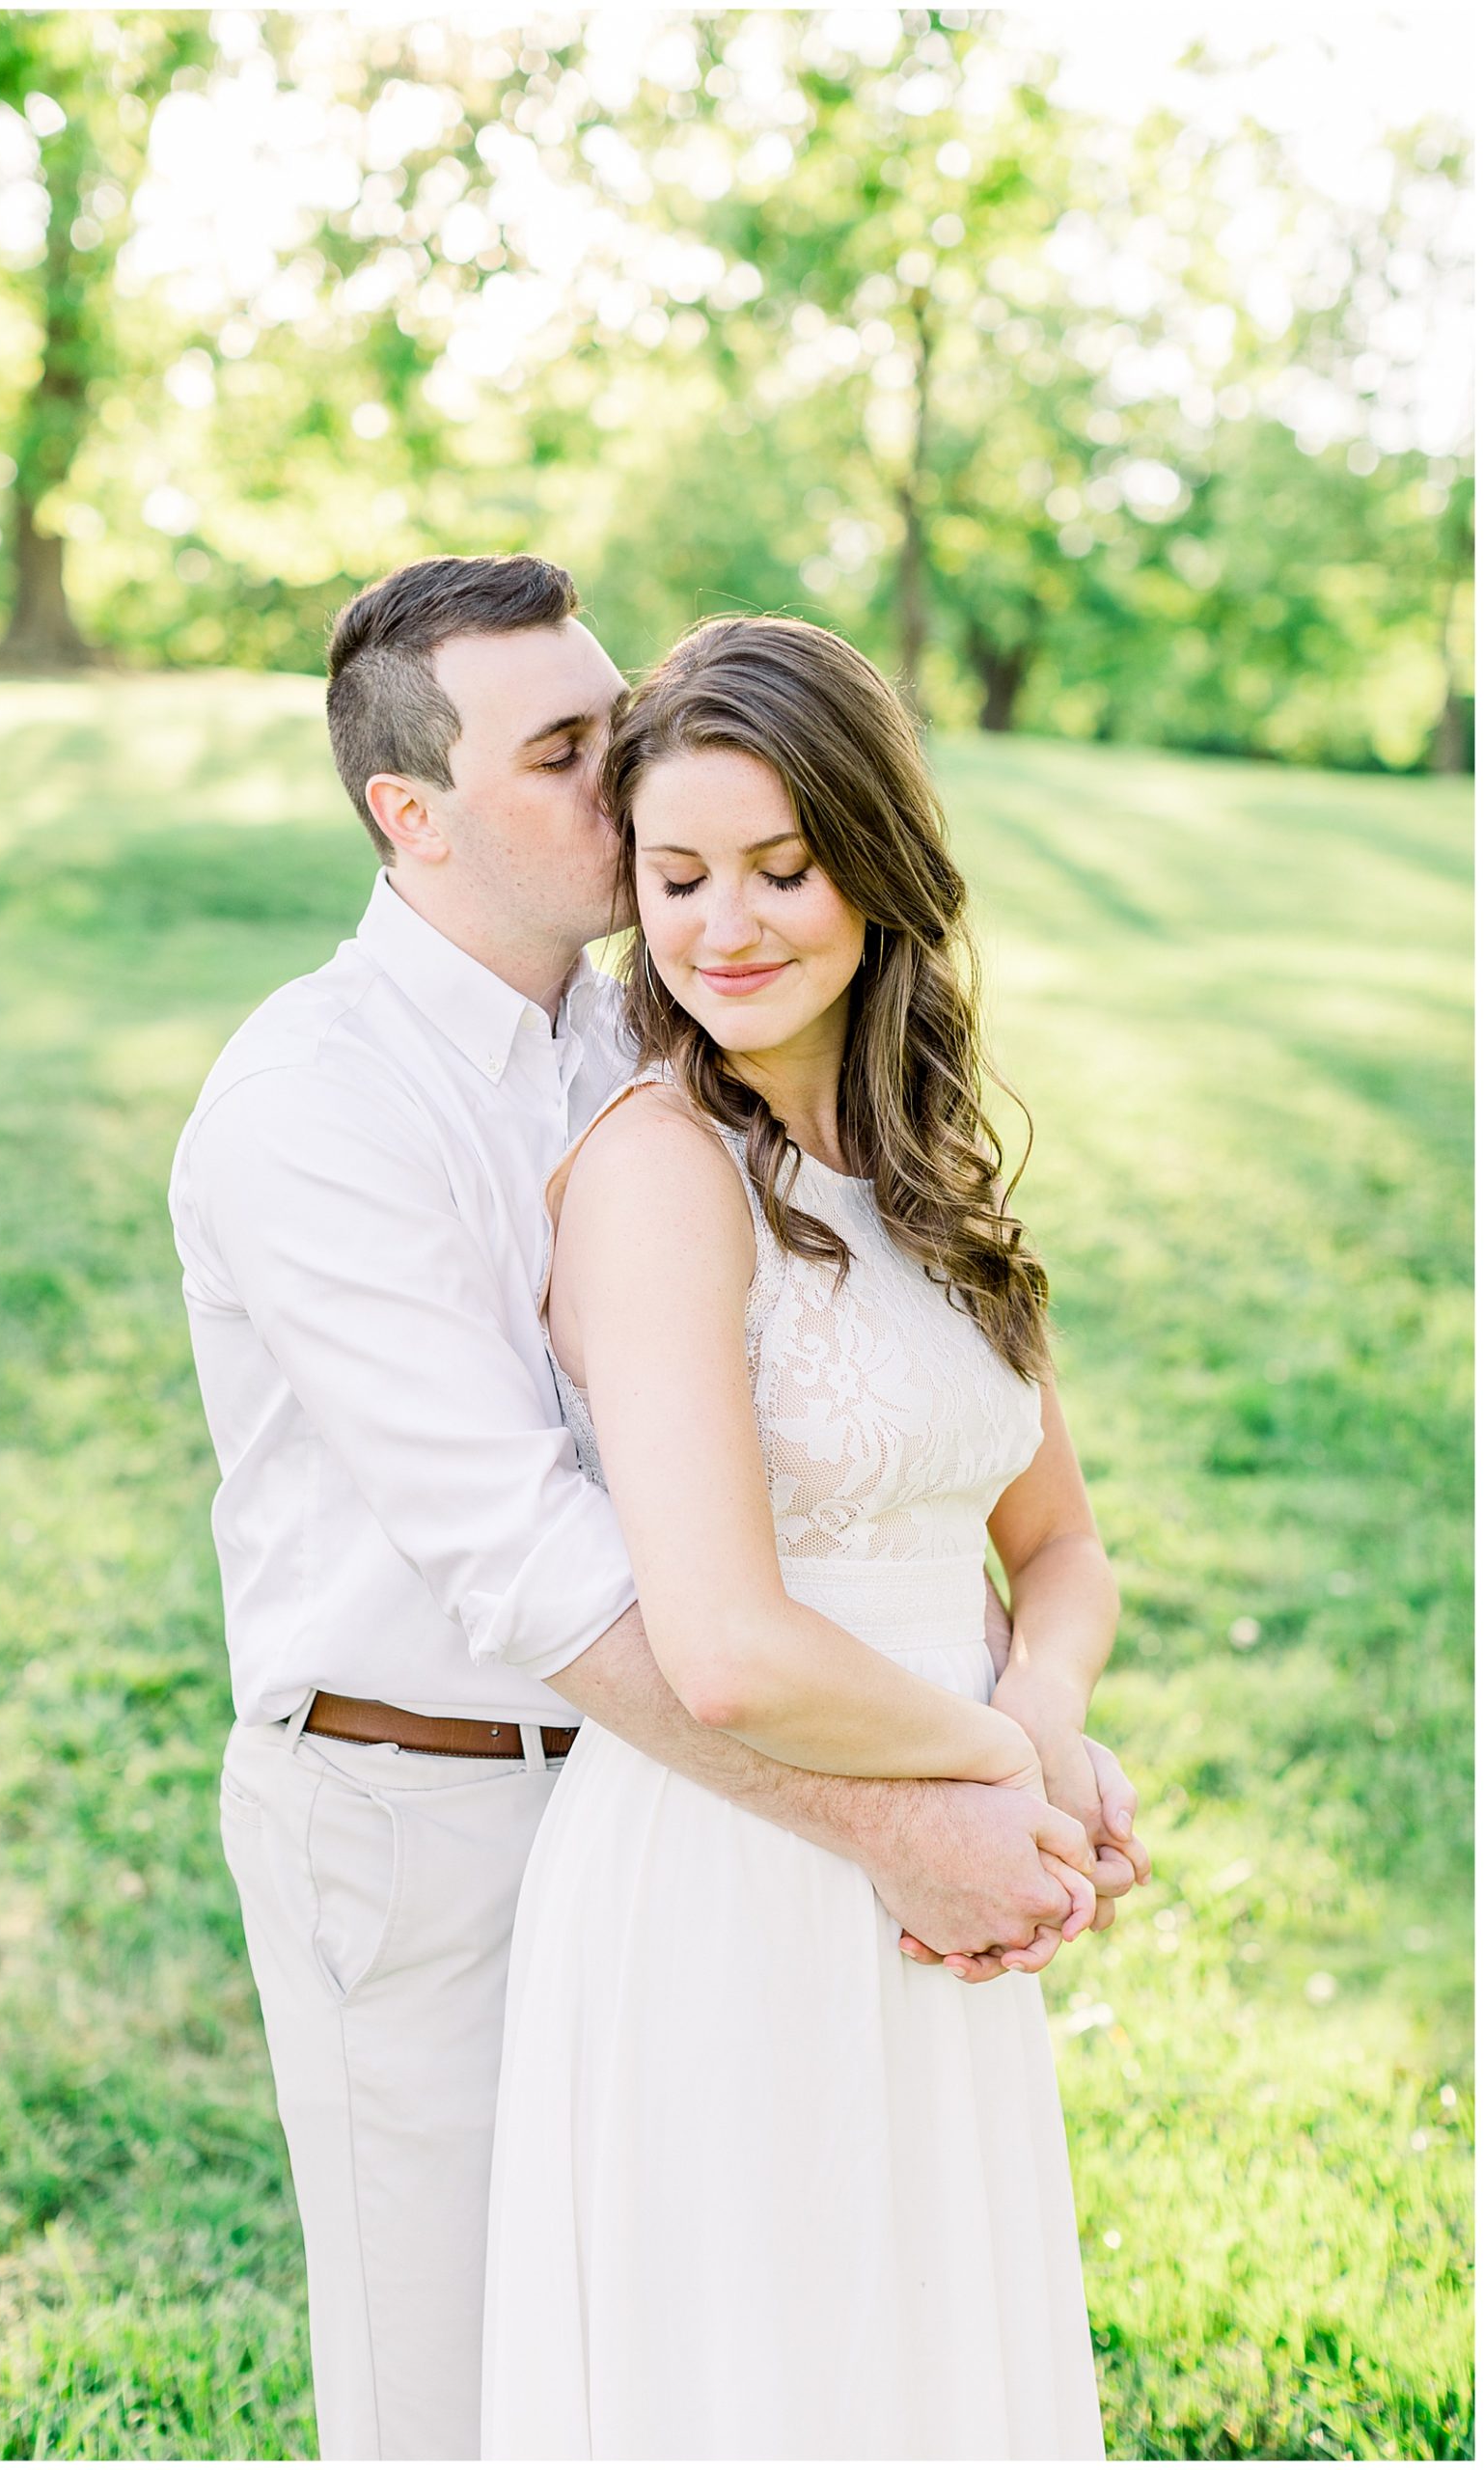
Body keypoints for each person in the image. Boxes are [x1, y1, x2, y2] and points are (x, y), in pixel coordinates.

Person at [169, 557, 1146, 2461]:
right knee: (464, 2401)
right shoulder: (313, 1105)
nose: (637, 801)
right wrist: (941, 1796)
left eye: (624, 731)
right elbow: (545, 1565)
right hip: (431, 1794)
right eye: (571, 755)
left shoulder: (660, 1034)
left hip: (699, 1791)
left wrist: (991, 1752)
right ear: (411, 813)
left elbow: (987, 1480)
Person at [482, 613, 1125, 2460]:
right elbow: (726, 1643)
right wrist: (1013, 1767)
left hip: (948, 1872)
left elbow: (1060, 1542)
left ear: (879, 865)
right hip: (732, 1880)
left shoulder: (929, 1179)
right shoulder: (659, 1176)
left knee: (925, 2371)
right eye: (674, 878)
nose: (724, 926)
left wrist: (1052, 1715)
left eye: (781, 866)